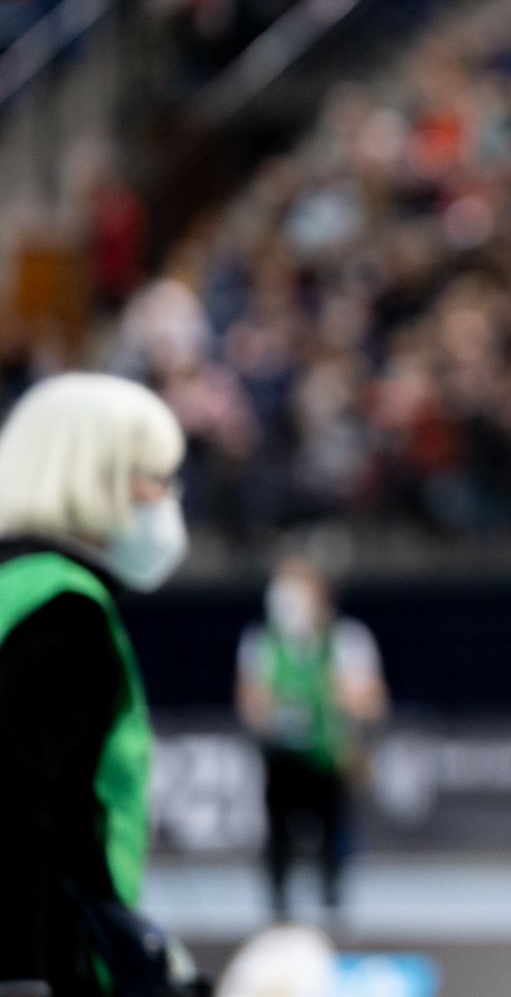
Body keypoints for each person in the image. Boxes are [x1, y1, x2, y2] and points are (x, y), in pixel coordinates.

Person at [0, 373, 202, 995]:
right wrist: (24, 978)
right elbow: (17, 807)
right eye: (156, 478)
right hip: (45, 953)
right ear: (98, 476)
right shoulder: (61, 610)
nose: (167, 498)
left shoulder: (15, 586)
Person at [235, 556, 389, 922]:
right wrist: (270, 704)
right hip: (282, 759)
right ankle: (278, 913)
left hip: (330, 757)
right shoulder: (262, 642)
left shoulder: (347, 639)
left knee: (332, 842)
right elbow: (248, 704)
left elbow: (374, 702)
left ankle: (332, 909)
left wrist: (332, 691)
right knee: (279, 839)